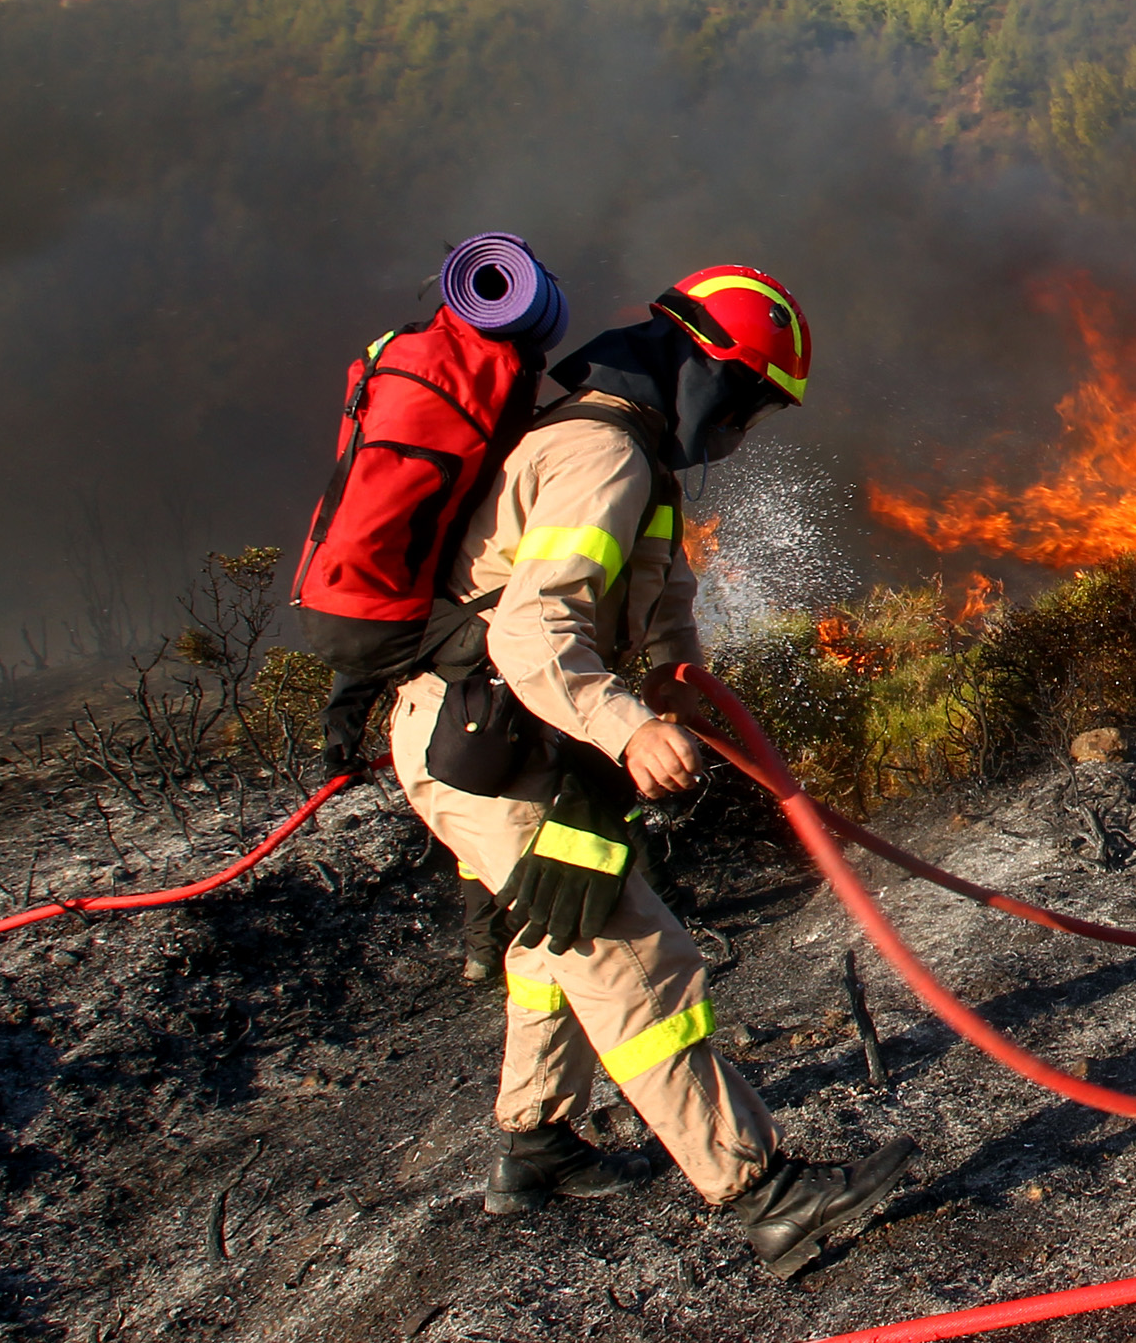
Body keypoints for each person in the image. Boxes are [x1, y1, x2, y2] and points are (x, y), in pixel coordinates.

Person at [388, 262, 915, 1280]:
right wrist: (627, 729)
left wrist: (685, 702)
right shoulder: (600, 456)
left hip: (523, 741)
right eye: (752, 401)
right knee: (634, 953)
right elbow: (534, 631)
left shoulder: (638, 460)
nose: (746, 428)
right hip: (490, 741)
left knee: (554, 933)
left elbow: (659, 619)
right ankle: (762, 1193)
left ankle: (535, 1143)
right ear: (709, 371)